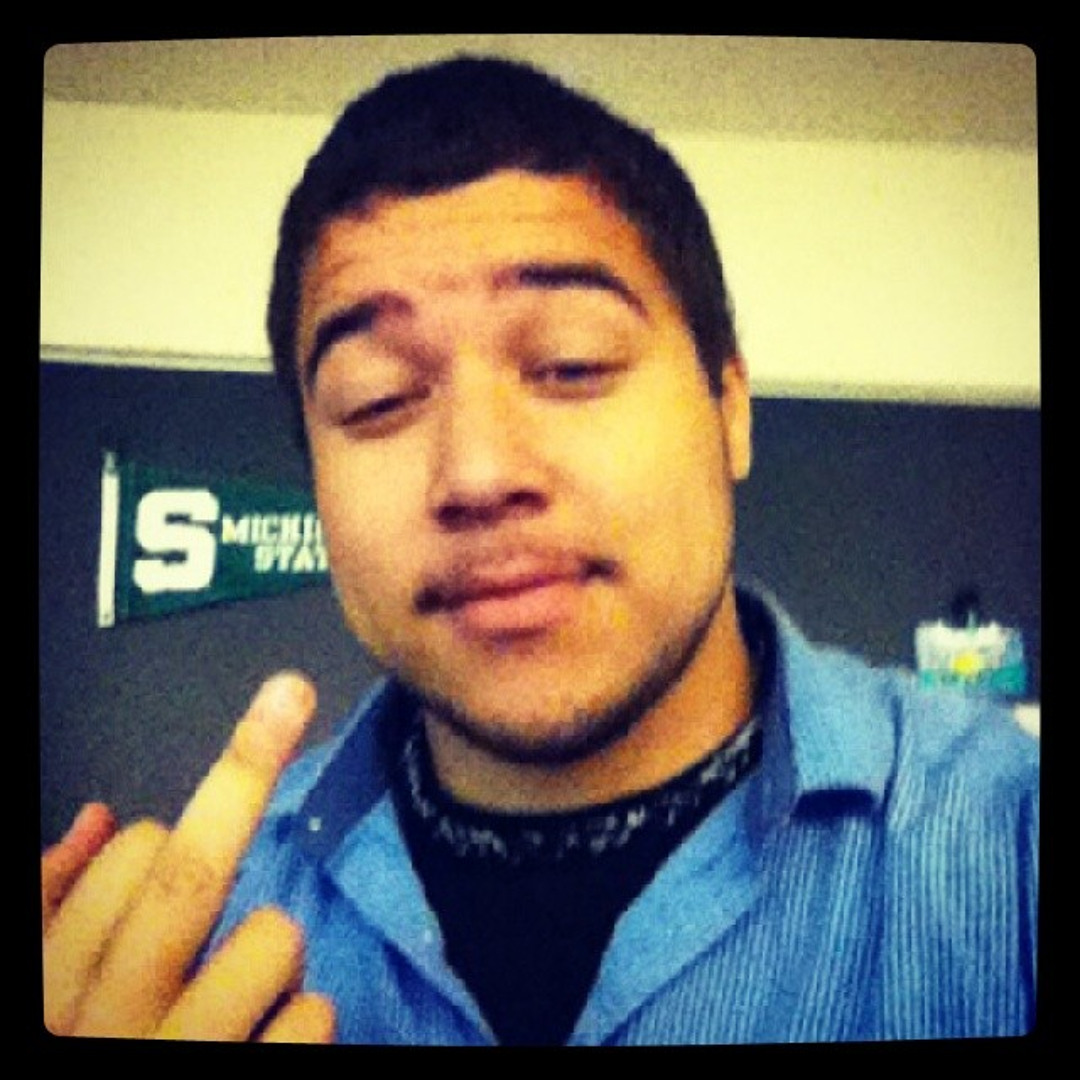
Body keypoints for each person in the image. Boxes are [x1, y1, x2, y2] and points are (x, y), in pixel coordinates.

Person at [42, 55, 1039, 1046]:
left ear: (730, 407)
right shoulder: (187, 952)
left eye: (570, 362)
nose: (478, 472)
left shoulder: (1011, 844)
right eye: (378, 399)